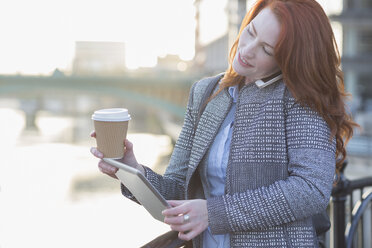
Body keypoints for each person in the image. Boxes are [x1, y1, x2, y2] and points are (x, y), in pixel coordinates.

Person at [90, 0, 357, 247]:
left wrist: (213, 213)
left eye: (266, 49)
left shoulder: (302, 98)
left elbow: (311, 189)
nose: (247, 50)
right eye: (250, 32)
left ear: (289, 59)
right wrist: (132, 170)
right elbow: (178, 189)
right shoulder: (205, 93)